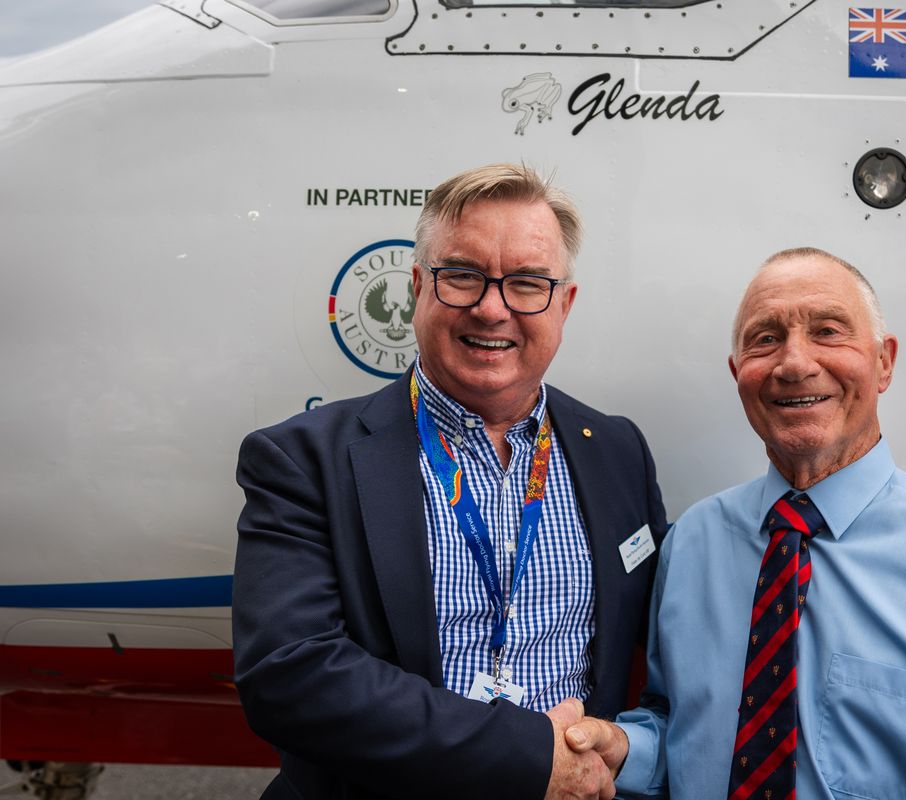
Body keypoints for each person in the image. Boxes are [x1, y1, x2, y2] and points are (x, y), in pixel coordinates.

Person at [566, 248, 906, 798]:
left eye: (828, 331)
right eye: (765, 339)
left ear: (884, 361)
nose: (794, 363)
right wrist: (622, 750)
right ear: (737, 373)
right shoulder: (692, 543)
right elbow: (686, 734)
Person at [232, 163, 667, 799]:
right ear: (417, 289)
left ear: (564, 305)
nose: (493, 308)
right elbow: (290, 676)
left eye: (526, 283)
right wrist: (525, 758)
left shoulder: (618, 450)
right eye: (462, 276)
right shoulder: (302, 459)